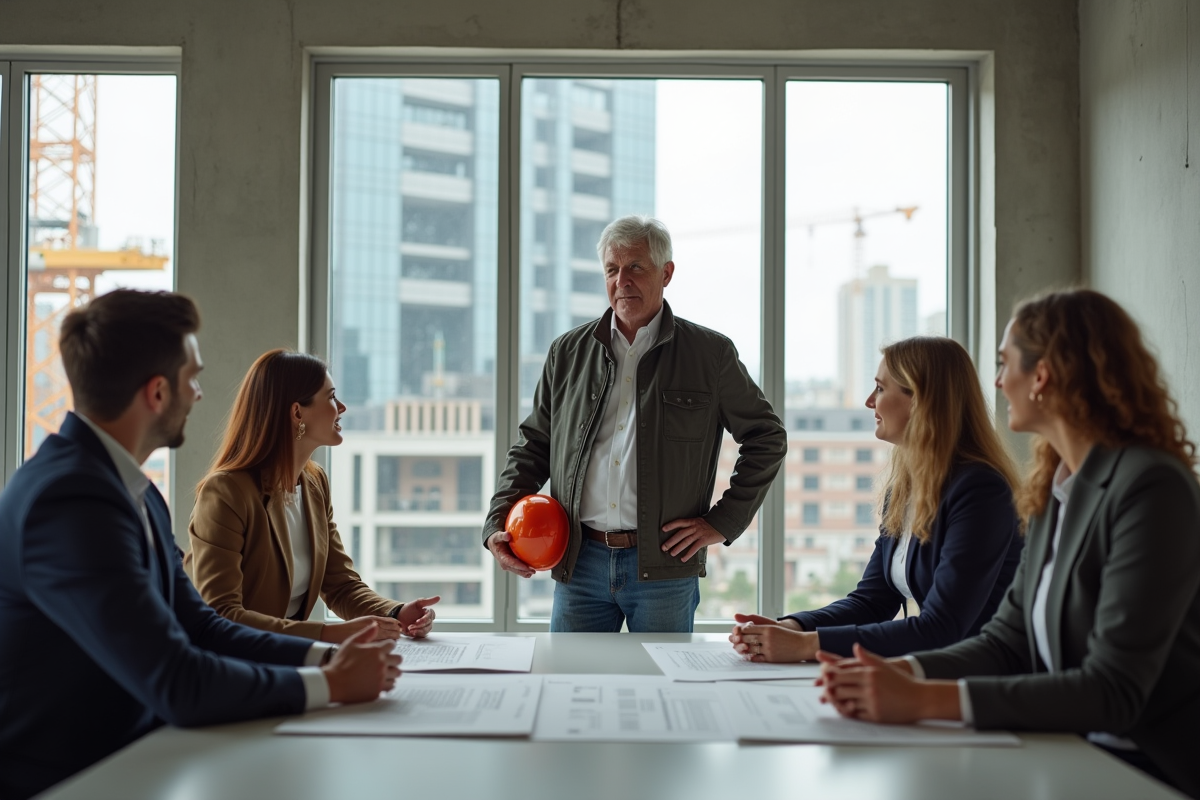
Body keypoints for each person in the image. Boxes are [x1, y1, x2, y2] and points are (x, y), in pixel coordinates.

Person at [0, 291, 400, 800]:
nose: (199, 394)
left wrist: (326, 658)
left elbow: (200, 626)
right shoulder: (68, 501)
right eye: (192, 378)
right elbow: (176, 678)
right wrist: (333, 684)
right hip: (71, 779)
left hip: (135, 758)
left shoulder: (132, 493)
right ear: (158, 393)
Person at [818, 289, 1200, 798]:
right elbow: (1007, 642)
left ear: (1040, 376)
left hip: (1147, 767)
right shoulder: (1056, 486)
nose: (997, 382)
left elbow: (1113, 690)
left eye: (1004, 364)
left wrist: (925, 700)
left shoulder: (1151, 486)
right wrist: (898, 674)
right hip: (1066, 749)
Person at [483, 215, 787, 632]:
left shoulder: (710, 355)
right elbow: (533, 445)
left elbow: (766, 437)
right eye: (612, 269)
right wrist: (498, 523)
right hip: (579, 562)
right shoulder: (567, 352)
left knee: (663, 692)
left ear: (666, 273)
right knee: (572, 692)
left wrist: (723, 521)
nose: (622, 280)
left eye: (636, 267)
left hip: (664, 567)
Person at [729, 336, 1023, 662]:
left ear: (921, 399)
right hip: (939, 672)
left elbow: (942, 627)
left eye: (881, 389)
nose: (870, 401)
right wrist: (793, 627)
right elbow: (873, 601)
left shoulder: (981, 492)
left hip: (983, 681)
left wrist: (806, 646)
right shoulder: (904, 490)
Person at [186, 350, 439, 642]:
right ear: (297, 413)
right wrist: (328, 634)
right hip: (234, 664)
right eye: (331, 397)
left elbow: (341, 585)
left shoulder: (314, 483)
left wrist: (396, 613)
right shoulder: (226, 492)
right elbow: (221, 614)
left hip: (286, 659)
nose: (341, 407)